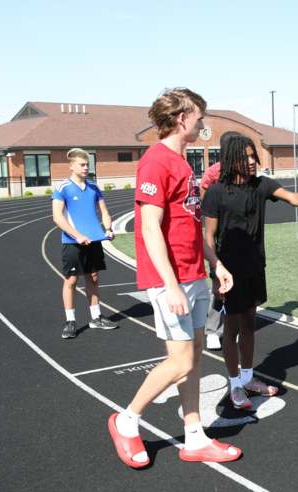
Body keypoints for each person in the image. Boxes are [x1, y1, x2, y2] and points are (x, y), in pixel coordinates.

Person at [107, 88, 239, 468]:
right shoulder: (155, 162)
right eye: (200, 116)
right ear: (183, 117)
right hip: (173, 280)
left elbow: (191, 225)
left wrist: (215, 262)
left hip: (194, 274)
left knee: (194, 358)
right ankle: (127, 420)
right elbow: (150, 228)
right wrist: (169, 285)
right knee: (180, 362)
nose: (203, 123)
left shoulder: (182, 162)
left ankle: (194, 436)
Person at [203, 134, 298, 409]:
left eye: (254, 156)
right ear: (231, 159)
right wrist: (217, 269)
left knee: (250, 324)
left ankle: (249, 378)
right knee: (231, 329)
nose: (252, 162)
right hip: (227, 271)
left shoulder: (261, 185)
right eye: (246, 157)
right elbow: (207, 238)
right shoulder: (217, 192)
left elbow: (293, 197)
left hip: (254, 267)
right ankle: (235, 384)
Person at [52, 148, 118, 339]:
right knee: (71, 280)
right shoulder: (62, 188)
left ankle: (96, 317)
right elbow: (57, 217)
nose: (85, 168)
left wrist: (108, 229)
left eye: (87, 164)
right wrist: (77, 235)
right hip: (72, 242)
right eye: (82, 164)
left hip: (94, 241)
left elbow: (104, 212)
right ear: (71, 166)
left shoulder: (94, 188)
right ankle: (70, 321)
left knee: (94, 277)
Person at [200, 131, 242, 351]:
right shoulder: (214, 171)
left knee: (238, 286)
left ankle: (231, 328)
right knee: (219, 286)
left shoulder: (245, 171)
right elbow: (204, 195)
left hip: (240, 237)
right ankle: (212, 330)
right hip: (218, 236)